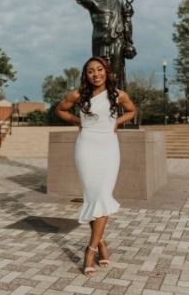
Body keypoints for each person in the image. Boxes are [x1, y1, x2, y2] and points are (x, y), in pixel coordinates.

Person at [55, 56, 136, 277]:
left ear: (107, 72)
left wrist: (116, 122)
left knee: (102, 195)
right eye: (90, 71)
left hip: (109, 148)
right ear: (86, 74)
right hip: (86, 148)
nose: (95, 74)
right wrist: (77, 121)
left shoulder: (119, 95)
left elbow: (132, 111)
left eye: (99, 70)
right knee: (92, 197)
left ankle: (90, 249)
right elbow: (60, 110)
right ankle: (100, 244)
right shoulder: (79, 94)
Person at [73, 0, 136, 89]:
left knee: (116, 77)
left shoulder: (120, 4)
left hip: (117, 43)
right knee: (99, 77)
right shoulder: (95, 3)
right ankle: (100, 104)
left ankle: (117, 105)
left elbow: (126, 25)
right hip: (100, 45)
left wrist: (129, 43)